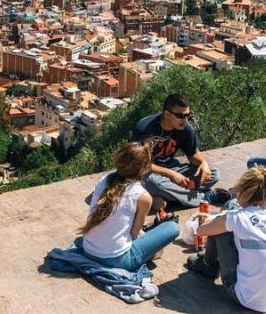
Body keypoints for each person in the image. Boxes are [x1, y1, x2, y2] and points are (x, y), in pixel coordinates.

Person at [79, 140, 180, 271]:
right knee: (172, 227)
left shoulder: (105, 179)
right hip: (117, 260)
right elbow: (134, 234)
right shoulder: (143, 197)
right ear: (144, 169)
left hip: (88, 250)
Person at [186, 165, 266, 312]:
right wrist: (218, 217)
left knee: (227, 215)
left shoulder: (238, 218)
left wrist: (214, 220)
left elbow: (202, 231)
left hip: (246, 298)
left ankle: (207, 264)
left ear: (243, 192)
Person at [131, 93, 229, 208]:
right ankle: (202, 198)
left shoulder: (185, 128)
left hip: (172, 168)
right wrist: (172, 174)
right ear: (167, 113)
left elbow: (193, 153)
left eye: (188, 115)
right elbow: (138, 164)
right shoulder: (145, 128)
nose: (185, 120)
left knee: (213, 173)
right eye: (181, 116)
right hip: (147, 173)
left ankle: (171, 194)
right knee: (154, 183)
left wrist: (203, 163)